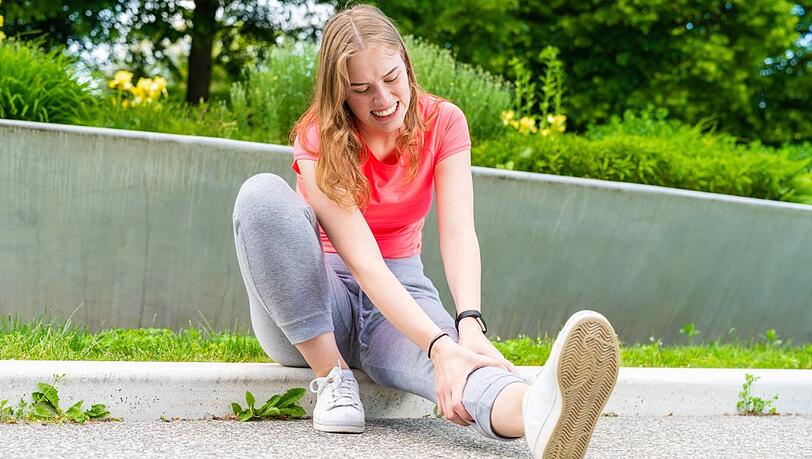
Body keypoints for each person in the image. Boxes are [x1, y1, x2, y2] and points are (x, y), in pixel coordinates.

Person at [231, 4, 620, 458]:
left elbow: (458, 233)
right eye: (362, 89)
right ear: (340, 93)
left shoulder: (444, 122)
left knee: (463, 365)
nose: (383, 99)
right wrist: (437, 345)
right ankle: (332, 377)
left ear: (407, 66)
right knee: (260, 195)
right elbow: (364, 262)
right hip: (315, 301)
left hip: (402, 289)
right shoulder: (317, 136)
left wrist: (468, 326)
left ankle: (536, 411)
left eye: (391, 79)